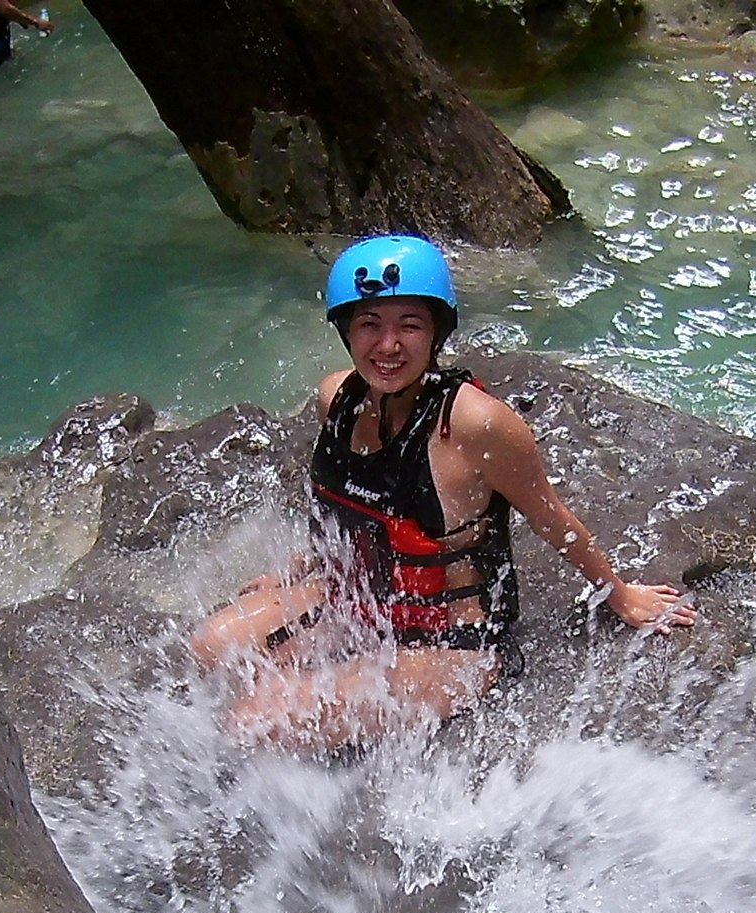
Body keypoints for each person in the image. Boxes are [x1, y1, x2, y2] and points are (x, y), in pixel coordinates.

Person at [191, 234, 697, 752]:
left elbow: (552, 517)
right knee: (212, 648)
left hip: (451, 644)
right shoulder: (336, 399)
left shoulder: (475, 425)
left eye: (409, 326)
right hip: (364, 604)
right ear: (346, 332)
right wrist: (301, 568)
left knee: (252, 721)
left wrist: (618, 591)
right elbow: (358, 512)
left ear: (436, 333)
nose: (388, 346)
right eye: (369, 325)